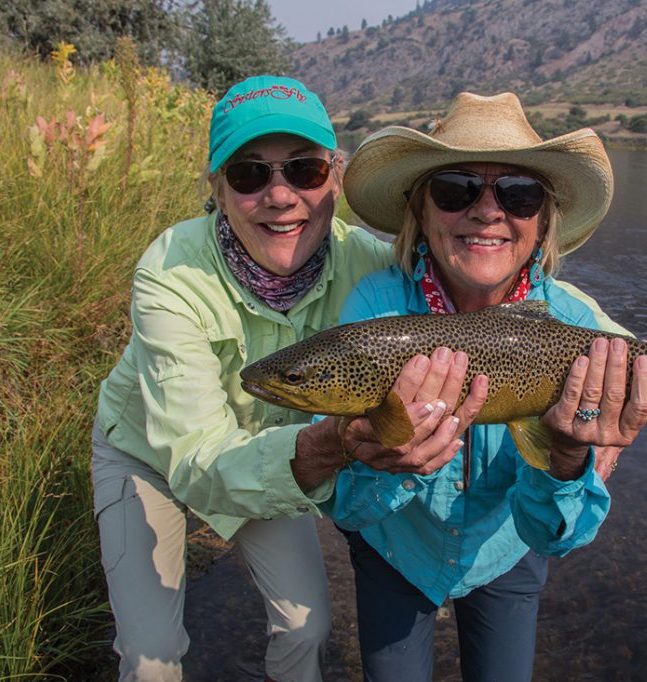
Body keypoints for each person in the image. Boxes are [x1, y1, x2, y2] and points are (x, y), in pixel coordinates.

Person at [90, 76, 487, 682]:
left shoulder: (375, 269)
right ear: (218, 191)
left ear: (335, 180)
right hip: (149, 455)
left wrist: (614, 374)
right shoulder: (168, 273)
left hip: (270, 449)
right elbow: (197, 460)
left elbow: (515, 303)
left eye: (302, 171)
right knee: (151, 654)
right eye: (250, 175)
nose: (280, 196)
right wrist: (331, 445)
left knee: (308, 630)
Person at [324, 91, 647, 681]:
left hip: (506, 551)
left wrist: (569, 454)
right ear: (419, 211)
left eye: (518, 194)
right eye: (455, 190)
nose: (487, 211)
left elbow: (556, 537)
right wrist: (382, 458)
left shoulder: (580, 329)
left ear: (543, 217)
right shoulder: (373, 312)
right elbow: (348, 507)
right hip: (396, 549)